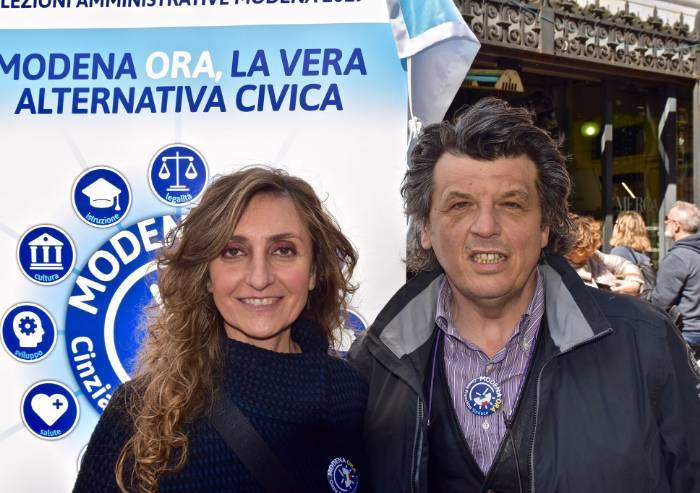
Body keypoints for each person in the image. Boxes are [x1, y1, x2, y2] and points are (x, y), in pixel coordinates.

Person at [349, 97, 700, 492]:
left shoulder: (646, 345)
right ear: (426, 229)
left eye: (511, 204)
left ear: (545, 226)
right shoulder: (375, 362)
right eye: (460, 204)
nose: (485, 226)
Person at [75, 167, 367, 493]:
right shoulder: (139, 414)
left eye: (283, 250)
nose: (259, 278)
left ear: (313, 271)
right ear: (207, 276)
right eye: (233, 252)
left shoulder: (352, 396)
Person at [652, 200, 700, 350]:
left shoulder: (677, 257)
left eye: (668, 219)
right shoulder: (694, 252)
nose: (665, 222)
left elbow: (660, 302)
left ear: (676, 225)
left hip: (686, 333)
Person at [564, 213, 643, 295]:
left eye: (591, 249)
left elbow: (623, 264)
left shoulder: (594, 257)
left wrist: (634, 282)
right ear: (571, 249)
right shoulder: (560, 270)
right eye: (585, 251)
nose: (589, 254)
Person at [609, 210, 656, 299]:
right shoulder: (642, 252)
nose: (614, 226)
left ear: (621, 228)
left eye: (616, 223)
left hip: (629, 301)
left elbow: (615, 285)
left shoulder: (619, 251)